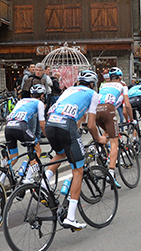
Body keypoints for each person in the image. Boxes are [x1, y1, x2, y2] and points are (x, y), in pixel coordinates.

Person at [43, 70, 105, 230]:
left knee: (60, 154)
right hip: (66, 126)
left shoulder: (69, 90)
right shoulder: (93, 94)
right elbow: (91, 125)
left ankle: (44, 183)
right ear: (92, 84)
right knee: (78, 170)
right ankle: (70, 217)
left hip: (51, 124)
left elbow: (73, 115)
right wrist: (99, 139)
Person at [96, 67, 132, 187]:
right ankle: (110, 173)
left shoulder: (103, 85)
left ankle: (99, 151)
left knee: (106, 133)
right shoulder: (123, 85)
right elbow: (127, 105)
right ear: (120, 77)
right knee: (115, 142)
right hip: (109, 110)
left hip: (96, 110)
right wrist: (131, 120)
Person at [5, 84, 46, 184]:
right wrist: (48, 135)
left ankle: (0, 180)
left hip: (8, 126)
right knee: (37, 150)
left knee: (13, 156)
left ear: (31, 95)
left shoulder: (22, 101)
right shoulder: (39, 103)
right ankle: (28, 178)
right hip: (21, 126)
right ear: (42, 96)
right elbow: (42, 124)